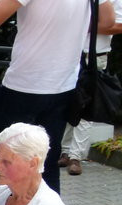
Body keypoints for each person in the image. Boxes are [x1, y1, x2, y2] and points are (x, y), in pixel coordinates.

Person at [0, 0, 114, 194]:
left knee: (3, 165)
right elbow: (108, 21)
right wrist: (65, 27)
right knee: (47, 165)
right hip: (63, 88)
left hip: (22, 87)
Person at [60, 0, 122, 176]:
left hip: (95, 56)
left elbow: (119, 26)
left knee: (86, 106)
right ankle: (65, 151)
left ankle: (75, 156)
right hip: (67, 53)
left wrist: (85, 27)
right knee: (66, 101)